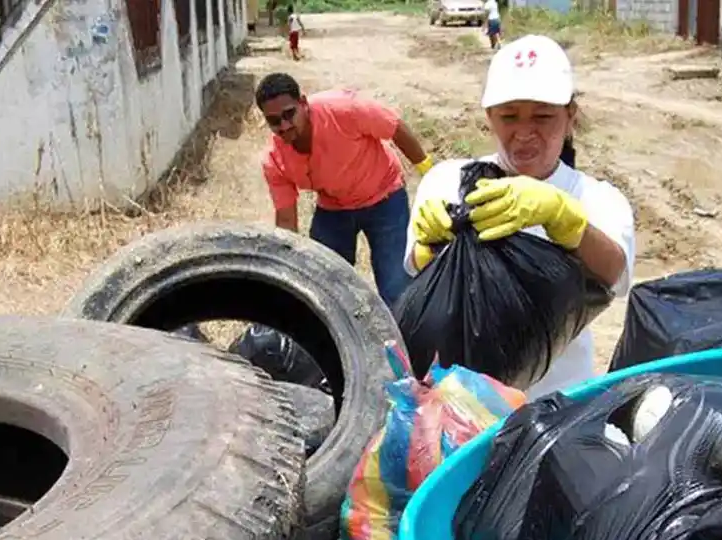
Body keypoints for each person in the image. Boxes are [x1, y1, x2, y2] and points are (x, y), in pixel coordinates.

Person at [404, 34, 635, 400]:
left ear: (570, 117)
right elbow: (418, 272)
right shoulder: (448, 182)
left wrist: (564, 219)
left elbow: (615, 275)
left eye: (543, 116)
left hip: (556, 403)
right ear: (489, 118)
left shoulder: (596, 199)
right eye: (509, 116)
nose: (525, 132)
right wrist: (430, 246)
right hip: (457, 404)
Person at [258, 73, 435, 306]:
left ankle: (405, 340)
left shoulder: (343, 109)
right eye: (274, 121)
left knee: (396, 289)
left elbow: (395, 128)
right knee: (322, 286)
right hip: (334, 208)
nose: (284, 125)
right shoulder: (275, 160)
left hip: (385, 198)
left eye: (289, 114)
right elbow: (287, 221)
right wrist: (283, 272)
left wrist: (429, 172)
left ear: (303, 103)